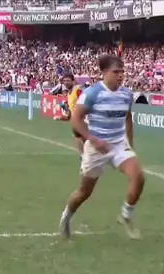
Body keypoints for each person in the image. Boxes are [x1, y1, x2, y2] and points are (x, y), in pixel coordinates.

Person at [59, 55, 145, 240]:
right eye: (116, 72)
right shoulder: (92, 93)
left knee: (138, 176)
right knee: (84, 192)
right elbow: (75, 119)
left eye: (122, 72)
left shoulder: (126, 94)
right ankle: (66, 216)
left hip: (118, 144)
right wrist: (92, 139)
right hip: (96, 148)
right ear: (104, 72)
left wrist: (129, 143)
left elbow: (128, 117)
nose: (120, 75)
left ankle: (126, 215)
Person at [53, 72, 85, 155]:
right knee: (78, 140)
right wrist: (61, 117)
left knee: (85, 142)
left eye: (68, 80)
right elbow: (69, 115)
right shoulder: (69, 94)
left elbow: (84, 102)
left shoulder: (77, 90)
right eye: (65, 81)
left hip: (83, 121)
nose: (66, 82)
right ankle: (84, 158)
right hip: (76, 122)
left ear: (73, 81)